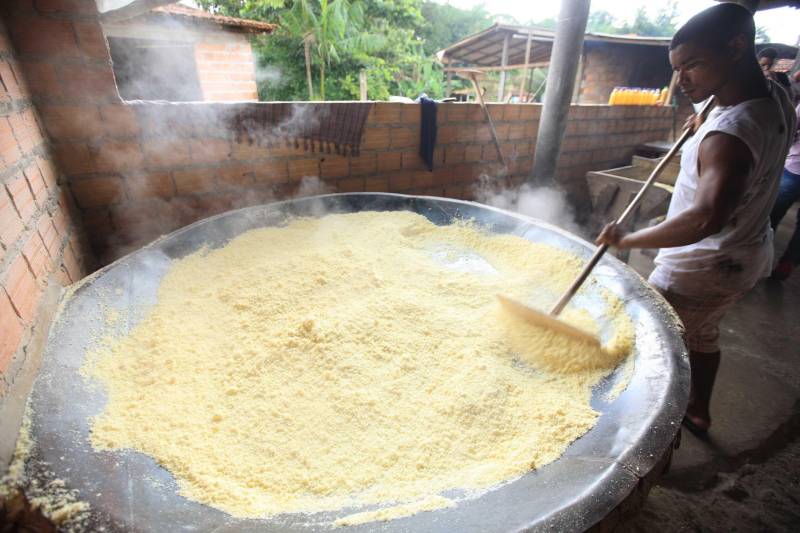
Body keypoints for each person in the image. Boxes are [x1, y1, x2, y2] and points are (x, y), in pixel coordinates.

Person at [596, 4, 795, 435]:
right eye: (677, 68)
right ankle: (699, 412)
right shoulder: (775, 96)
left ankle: (642, 427)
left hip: (703, 264)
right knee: (702, 333)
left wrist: (629, 240)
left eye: (692, 66)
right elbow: (745, 102)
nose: (681, 79)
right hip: (748, 250)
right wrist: (707, 112)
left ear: (737, 47)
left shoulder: (730, 137)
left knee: (652, 339)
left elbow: (706, 217)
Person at [769, 99, 800, 280]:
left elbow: (790, 130)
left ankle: (756, 255)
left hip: (795, 168)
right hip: (794, 168)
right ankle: (787, 264)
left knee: (772, 214)